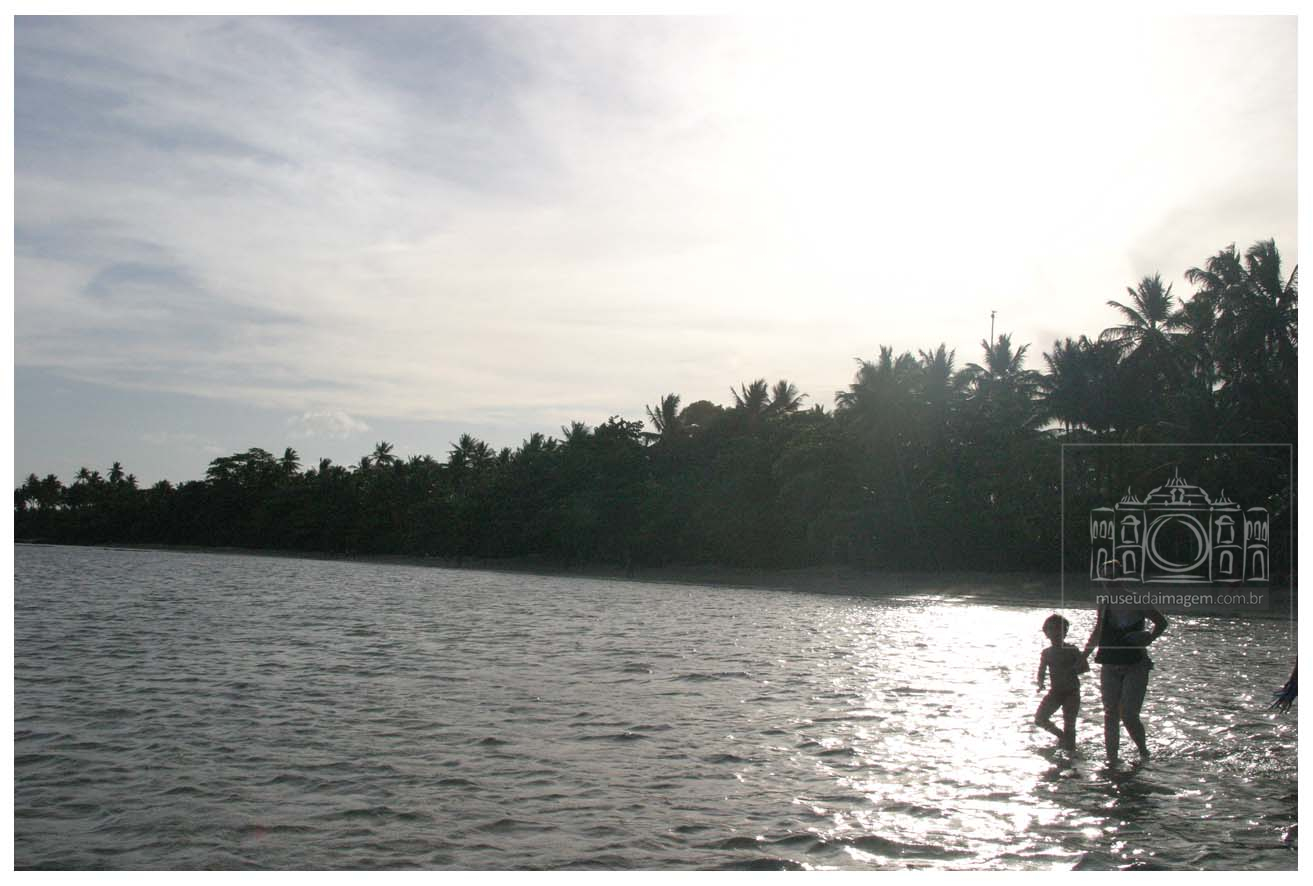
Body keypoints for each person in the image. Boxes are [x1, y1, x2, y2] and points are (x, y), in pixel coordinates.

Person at [1082, 586, 1168, 766]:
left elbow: (1161, 623)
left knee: (1128, 714)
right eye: (1105, 578)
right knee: (1110, 712)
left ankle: (1143, 752)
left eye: (1113, 577)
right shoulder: (1105, 603)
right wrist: (1083, 657)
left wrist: (1149, 638)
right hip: (1109, 663)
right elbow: (1098, 632)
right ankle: (1111, 760)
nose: (1109, 582)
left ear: (1122, 578)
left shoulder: (1137, 600)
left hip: (1135, 664)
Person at [1035, 613, 1089, 751]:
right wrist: (1040, 683)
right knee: (1040, 718)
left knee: (1069, 724)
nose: (1055, 633)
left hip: (1072, 692)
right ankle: (1061, 736)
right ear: (1046, 632)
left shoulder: (1072, 650)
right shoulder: (1046, 653)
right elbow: (1041, 671)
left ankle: (1070, 751)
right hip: (1055, 692)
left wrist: (1073, 669)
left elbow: (1085, 667)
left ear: (1065, 632)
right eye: (1051, 629)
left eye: (1059, 629)